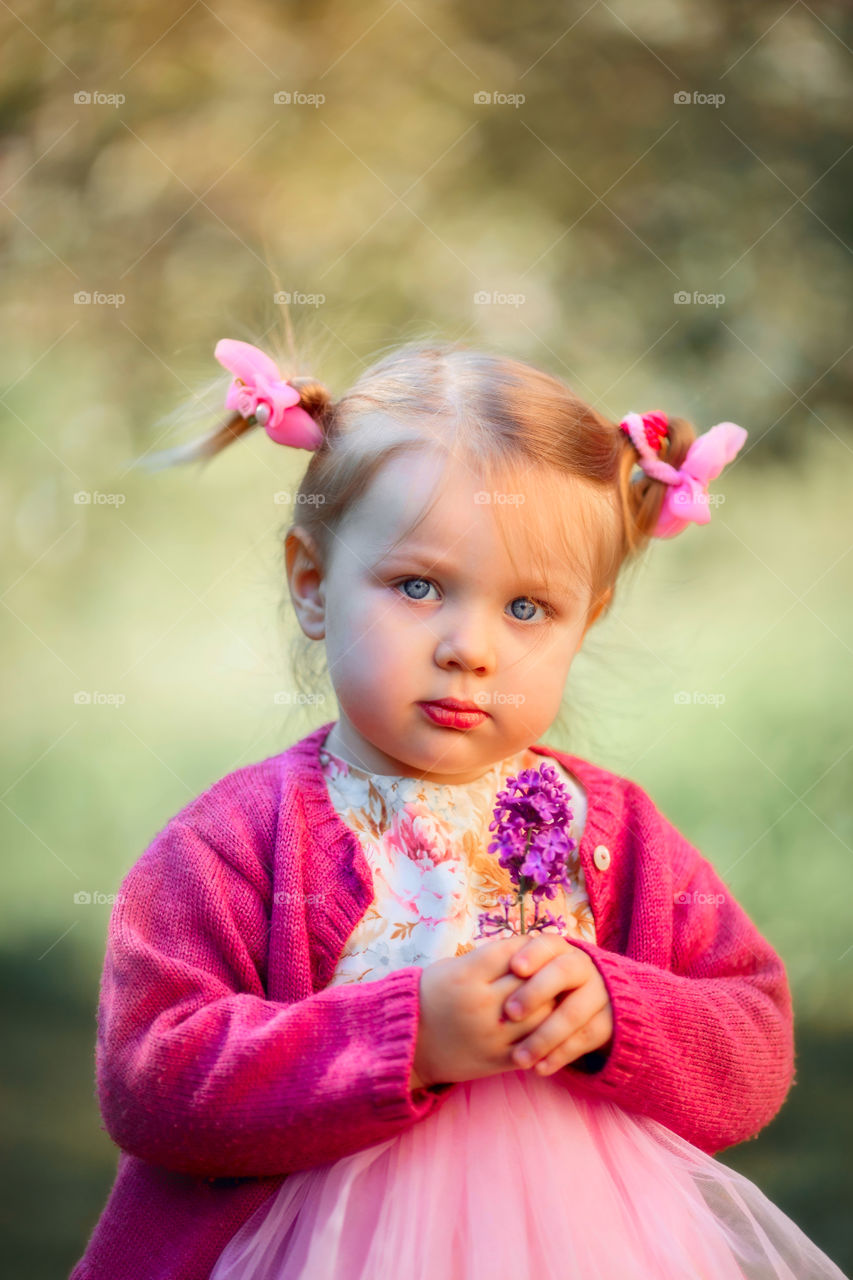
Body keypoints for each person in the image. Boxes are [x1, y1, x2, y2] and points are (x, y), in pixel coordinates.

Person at [70, 338, 848, 1280]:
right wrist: (407, 1039)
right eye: (417, 586)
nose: (469, 649)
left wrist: (619, 1010)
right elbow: (154, 1081)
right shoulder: (235, 842)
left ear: (585, 619)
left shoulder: (609, 831)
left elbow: (753, 1042)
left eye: (527, 609)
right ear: (312, 584)